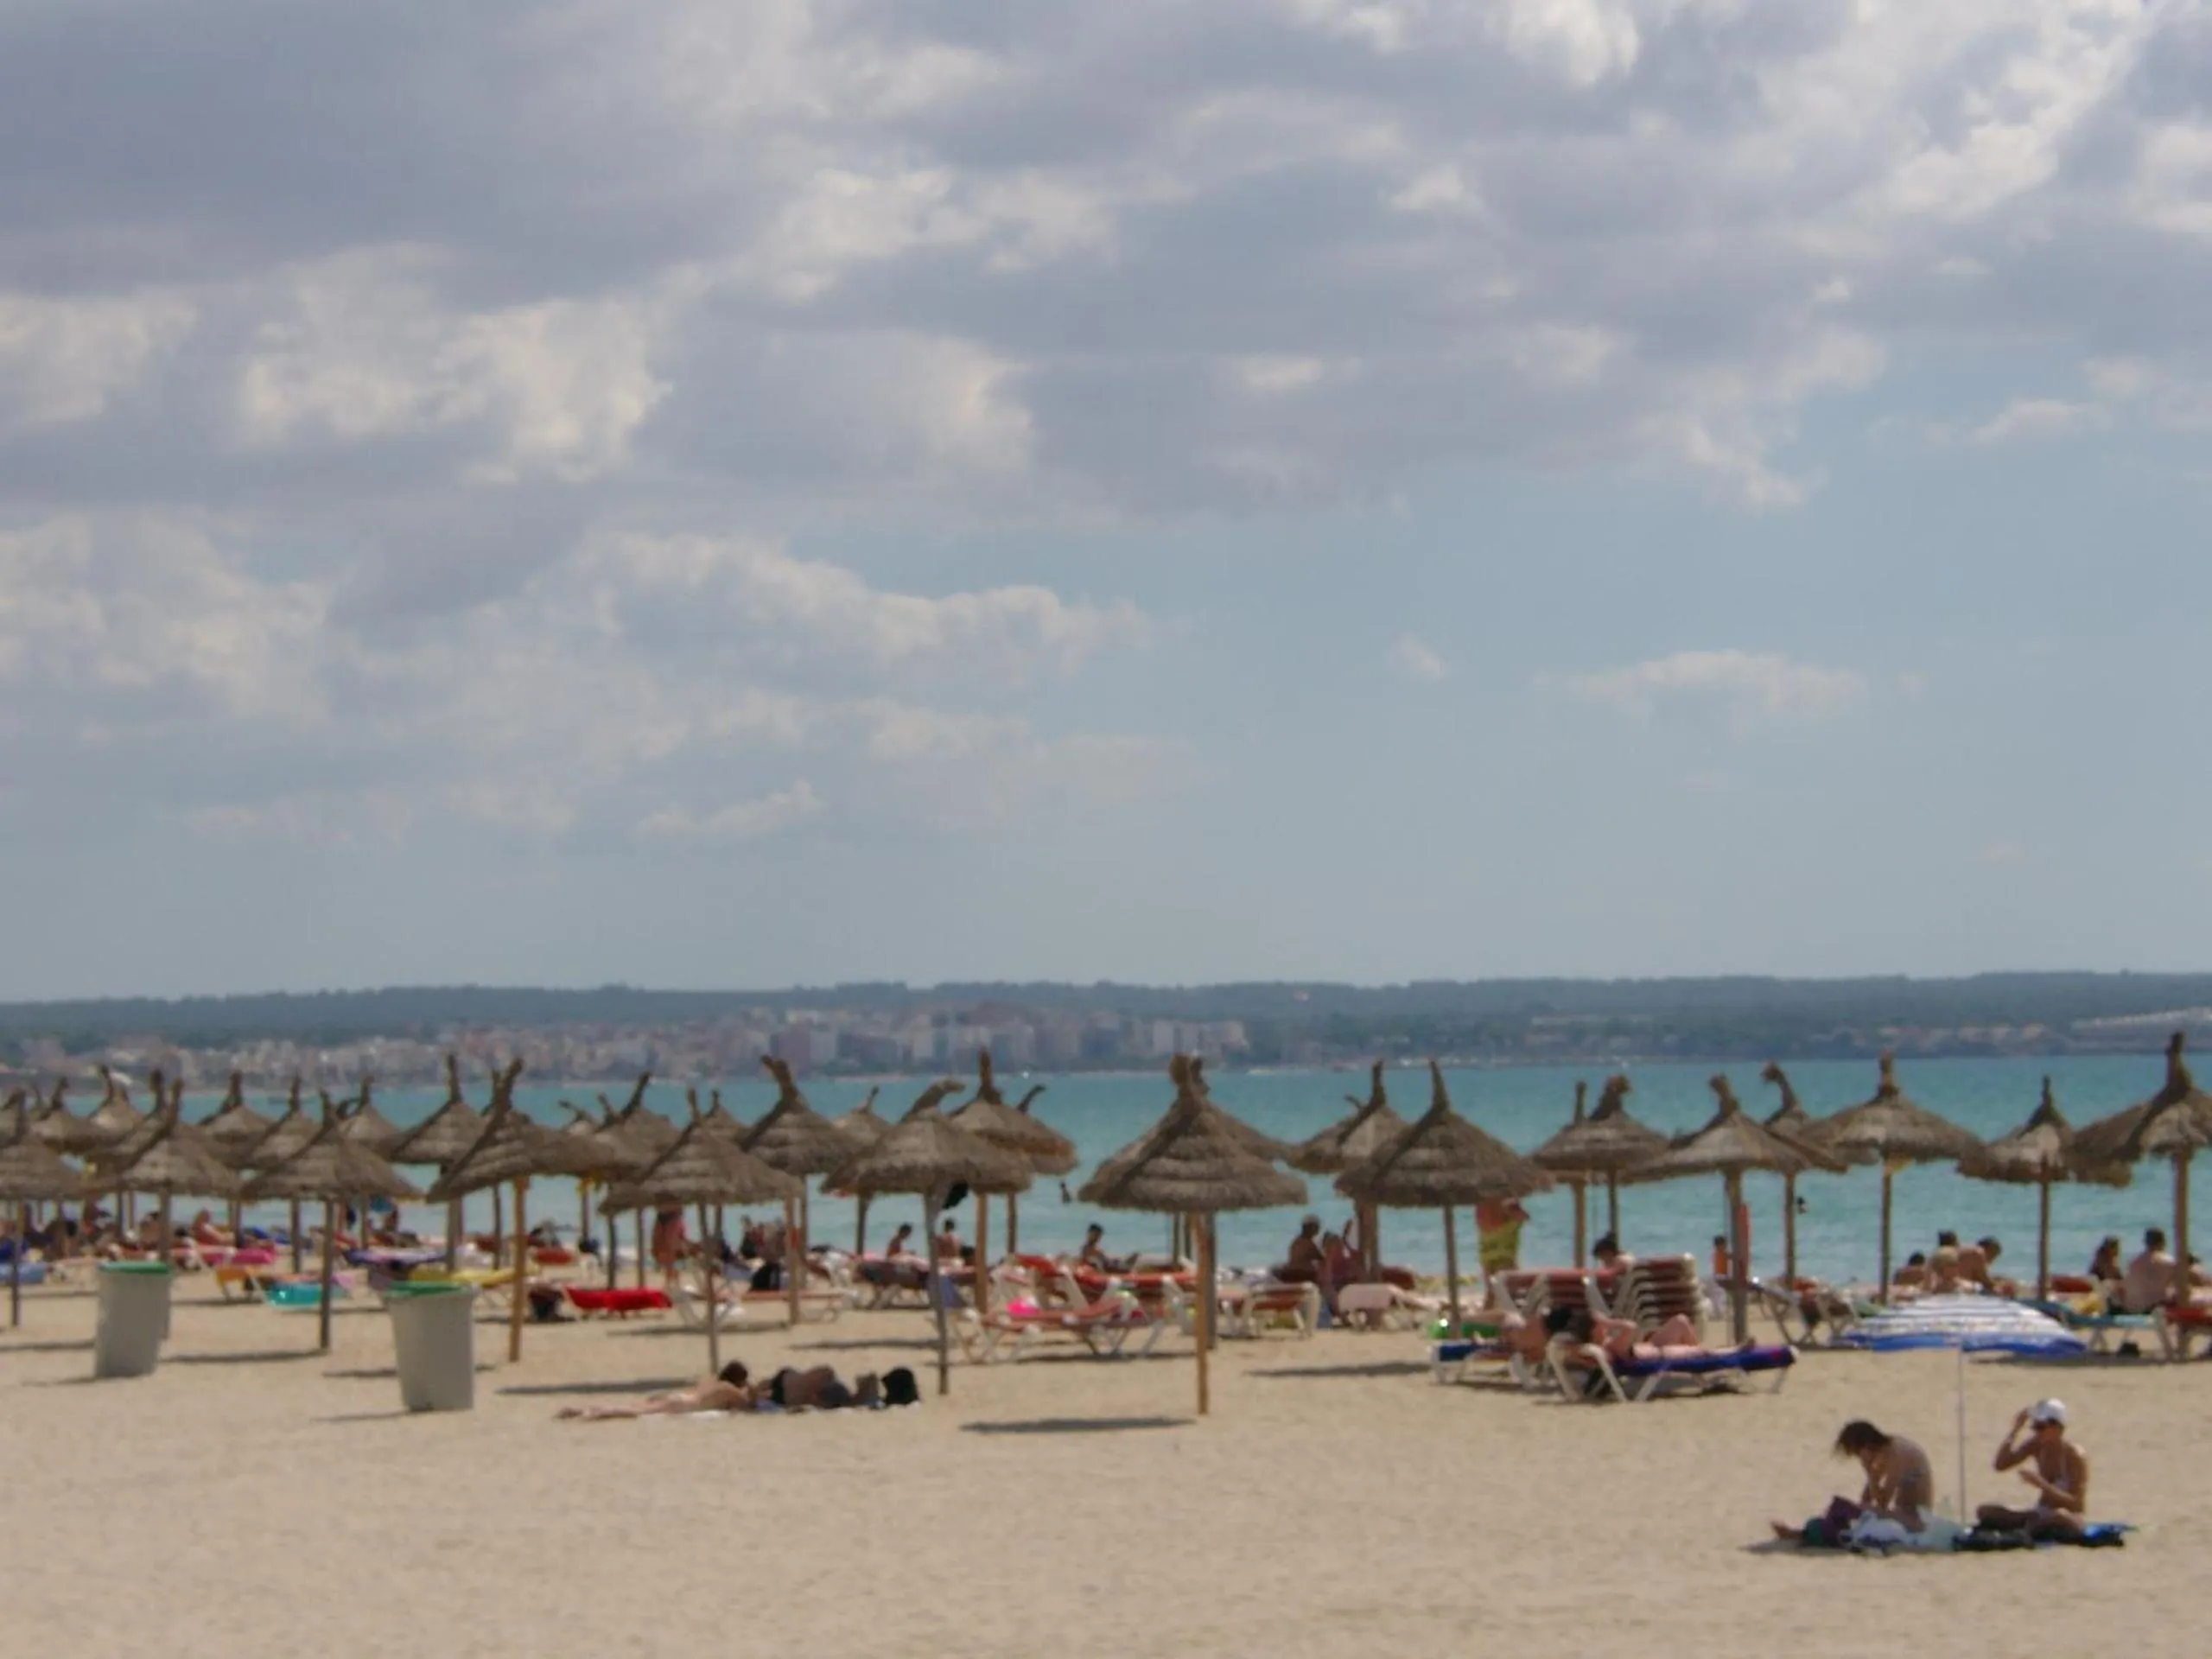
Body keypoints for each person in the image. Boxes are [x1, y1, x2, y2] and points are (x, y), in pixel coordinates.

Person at [1770, 1421, 1934, 1542]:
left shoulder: (1897, 1454)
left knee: (1846, 1509)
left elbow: (1883, 1501)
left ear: (1866, 1445)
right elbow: (1869, 1494)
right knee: (1847, 1509)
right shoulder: (1888, 1449)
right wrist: (1860, 1507)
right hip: (1903, 1513)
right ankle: (1804, 1533)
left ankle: (1802, 1535)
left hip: (1915, 1519)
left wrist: (1869, 1471)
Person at [1976, 1399, 2088, 1541]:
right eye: (2034, 1427)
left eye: (2041, 1427)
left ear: (2057, 1427)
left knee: (2058, 1515)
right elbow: (2001, 1465)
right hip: (2040, 1513)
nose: (2036, 1432)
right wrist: (2015, 1430)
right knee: (1985, 1511)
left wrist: (2042, 1485)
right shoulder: (2036, 1445)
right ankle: (2025, 1530)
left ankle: (2023, 1534)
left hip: (2069, 1517)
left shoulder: (2074, 1455)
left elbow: (2076, 1503)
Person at [1475, 1198, 1528, 1298]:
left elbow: (1480, 1218)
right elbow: (1524, 1216)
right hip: (1505, 1257)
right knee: (1508, 1294)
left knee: (1492, 1294)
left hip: (1488, 1257)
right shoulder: (1511, 1225)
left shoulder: (1485, 1223)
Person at [2120, 1227, 2177, 1313]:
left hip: (2132, 1308)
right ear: (2163, 1242)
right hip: (2154, 1309)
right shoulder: (2167, 1261)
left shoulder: (2134, 1262)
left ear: (2146, 1242)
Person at [1275, 1216, 1325, 1283]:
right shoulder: (1308, 1243)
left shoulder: (1296, 1241)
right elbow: (1320, 1257)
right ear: (1311, 1229)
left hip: (1291, 1271)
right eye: (1317, 1228)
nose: (1318, 1230)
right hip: (1303, 1273)